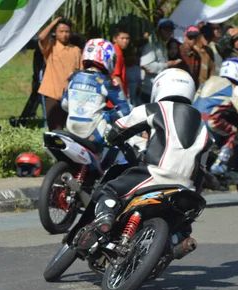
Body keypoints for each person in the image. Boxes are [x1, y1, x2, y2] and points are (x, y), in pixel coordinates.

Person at [74, 68, 211, 251]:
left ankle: (105, 219)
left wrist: (110, 137)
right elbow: (202, 169)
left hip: (155, 175)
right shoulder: (204, 127)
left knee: (108, 189)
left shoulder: (155, 108)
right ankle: (177, 244)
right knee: (181, 227)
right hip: (187, 190)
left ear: (160, 87)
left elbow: (120, 129)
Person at [193, 58, 238, 176]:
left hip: (194, 119)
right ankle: (219, 164)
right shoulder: (235, 88)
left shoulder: (208, 82)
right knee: (234, 133)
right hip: (212, 121)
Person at [60, 38, 131, 146]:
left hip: (71, 130)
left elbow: (64, 104)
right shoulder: (108, 82)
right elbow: (125, 111)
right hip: (94, 133)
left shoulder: (73, 77)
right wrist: (108, 115)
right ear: (107, 57)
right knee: (121, 145)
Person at [37, 17, 81, 130]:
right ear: (55, 33)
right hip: (52, 93)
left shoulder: (76, 50)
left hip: (70, 95)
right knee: (55, 127)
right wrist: (54, 22)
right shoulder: (51, 47)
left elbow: (81, 72)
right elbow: (41, 37)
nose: (64, 34)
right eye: (61, 31)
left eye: (67, 31)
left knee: (71, 127)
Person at [140, 18, 178, 103]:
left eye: (170, 30)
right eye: (165, 30)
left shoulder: (163, 45)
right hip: (149, 90)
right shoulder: (152, 45)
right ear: (159, 30)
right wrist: (166, 65)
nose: (168, 33)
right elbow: (146, 65)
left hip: (158, 90)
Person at [111, 26, 130, 98]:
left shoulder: (113, 50)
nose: (125, 41)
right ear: (114, 39)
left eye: (127, 38)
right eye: (122, 38)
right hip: (116, 96)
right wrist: (122, 98)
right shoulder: (117, 53)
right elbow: (116, 77)